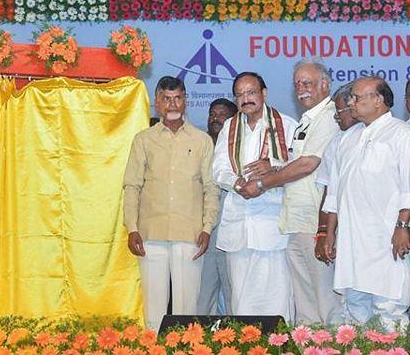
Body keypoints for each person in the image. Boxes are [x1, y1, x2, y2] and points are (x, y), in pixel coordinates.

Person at [240, 60, 343, 324]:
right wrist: (274, 166)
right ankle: (309, 346)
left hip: (317, 223)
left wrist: (265, 182)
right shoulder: (306, 120)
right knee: (304, 302)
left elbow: (309, 164)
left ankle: (332, 346)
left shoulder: (330, 117)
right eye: (297, 84)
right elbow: (296, 161)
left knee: (326, 298)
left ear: (324, 84)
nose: (301, 90)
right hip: (296, 221)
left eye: (307, 83)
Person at [321, 76, 410, 331]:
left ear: (378, 100)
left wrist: (402, 225)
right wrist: (329, 232)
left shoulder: (402, 133)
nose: (351, 102)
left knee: (388, 309)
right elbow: (334, 191)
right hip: (351, 241)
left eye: (357, 97)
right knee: (354, 308)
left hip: (386, 238)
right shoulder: (348, 138)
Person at [123, 76, 219, 330]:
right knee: (153, 313)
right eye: (166, 99)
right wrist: (132, 227)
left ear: (186, 101)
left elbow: (211, 188)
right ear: (157, 102)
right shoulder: (143, 139)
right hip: (150, 235)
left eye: (177, 98)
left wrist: (207, 228)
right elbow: (132, 186)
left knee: (186, 312)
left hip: (190, 235)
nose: (172, 104)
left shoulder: (202, 141)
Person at [212, 72, 296, 320]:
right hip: (239, 224)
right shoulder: (229, 127)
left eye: (251, 92)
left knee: (277, 295)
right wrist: (237, 183)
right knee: (241, 296)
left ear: (264, 94)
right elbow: (218, 169)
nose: (245, 98)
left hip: (272, 225)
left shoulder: (287, 125)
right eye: (240, 94)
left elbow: (299, 168)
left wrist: (274, 166)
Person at [196, 98, 236, 316]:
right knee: (202, 297)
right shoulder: (199, 145)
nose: (215, 119)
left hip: (231, 233)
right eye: (212, 114)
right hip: (205, 234)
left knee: (234, 296)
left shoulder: (240, 147)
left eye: (222, 114)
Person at [315, 83, 362, 266]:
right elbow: (329, 192)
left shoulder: (386, 136)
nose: (336, 117)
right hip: (342, 230)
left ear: (353, 108)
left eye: (339, 111)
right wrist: (323, 232)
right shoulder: (336, 143)